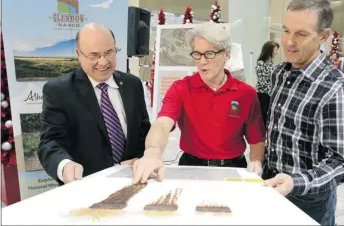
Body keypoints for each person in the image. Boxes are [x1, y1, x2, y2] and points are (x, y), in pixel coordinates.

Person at [262, 0, 344, 226]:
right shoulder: (281, 73)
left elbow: (341, 164)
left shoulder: (338, 89)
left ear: (323, 36)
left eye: (301, 34)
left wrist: (296, 182)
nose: (288, 42)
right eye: (286, 31)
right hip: (270, 186)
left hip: (308, 200)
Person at [132, 22, 266, 183]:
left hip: (233, 167)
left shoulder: (246, 93)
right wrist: (152, 153)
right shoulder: (181, 88)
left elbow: (256, 138)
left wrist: (256, 162)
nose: (202, 61)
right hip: (191, 166)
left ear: (227, 55)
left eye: (209, 54)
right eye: (197, 54)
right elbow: (162, 124)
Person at [38, 23, 151, 185]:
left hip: (132, 182)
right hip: (86, 186)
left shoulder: (132, 84)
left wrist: (143, 159)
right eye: (94, 55)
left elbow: (143, 132)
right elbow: (50, 142)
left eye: (109, 53)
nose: (103, 62)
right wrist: (65, 166)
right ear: (79, 54)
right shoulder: (59, 91)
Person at [255, 40, 280, 127]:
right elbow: (263, 82)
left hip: (270, 95)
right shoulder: (261, 63)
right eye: (275, 50)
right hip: (263, 95)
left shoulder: (272, 64)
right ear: (269, 50)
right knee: (263, 117)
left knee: (268, 117)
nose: (277, 52)